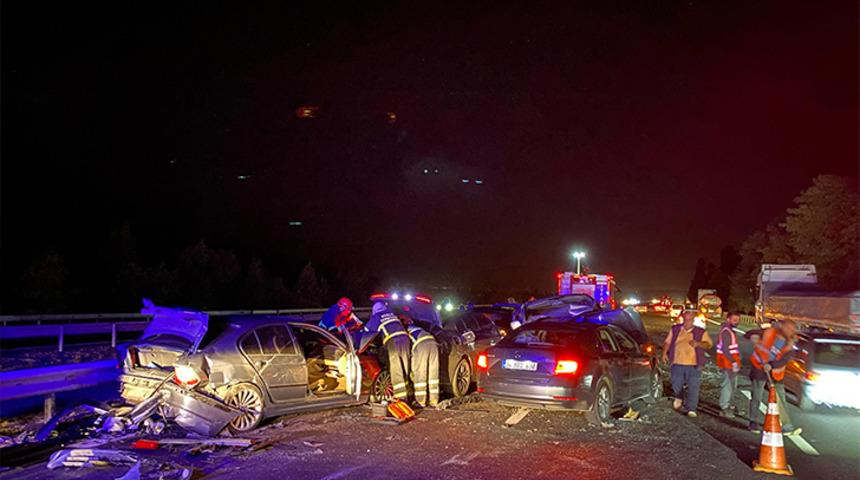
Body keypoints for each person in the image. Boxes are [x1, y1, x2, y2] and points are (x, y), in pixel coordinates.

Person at [748, 320, 801, 435]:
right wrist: (754, 338)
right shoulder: (769, 332)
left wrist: (771, 366)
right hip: (759, 369)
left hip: (775, 373)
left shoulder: (790, 344)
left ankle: (786, 426)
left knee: (780, 399)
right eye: (788, 328)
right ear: (782, 326)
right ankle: (753, 422)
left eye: (792, 330)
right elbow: (750, 332)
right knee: (757, 396)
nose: (790, 331)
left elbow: (785, 359)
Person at [662, 310, 713, 417]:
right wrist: (664, 353)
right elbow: (667, 342)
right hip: (677, 363)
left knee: (694, 387)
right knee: (676, 384)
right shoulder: (675, 329)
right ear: (683, 315)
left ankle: (692, 408)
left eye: (691, 313)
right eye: (686, 313)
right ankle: (679, 397)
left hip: (694, 364)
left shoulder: (701, 331)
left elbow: (709, 345)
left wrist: (698, 343)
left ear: (694, 317)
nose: (689, 315)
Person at [363, 301, 411, 401]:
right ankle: (408, 393)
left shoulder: (376, 317)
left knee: (396, 368)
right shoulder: (392, 314)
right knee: (404, 366)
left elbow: (366, 331)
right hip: (406, 340)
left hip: (393, 342)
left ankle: (400, 398)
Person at [405, 320, 440, 408]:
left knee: (420, 374)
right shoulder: (419, 329)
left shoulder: (406, 333)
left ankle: (421, 401)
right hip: (434, 344)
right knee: (433, 374)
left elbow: (408, 352)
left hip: (421, 345)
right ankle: (434, 400)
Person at [716, 312, 742, 417]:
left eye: (738, 320)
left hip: (729, 363)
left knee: (731, 385)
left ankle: (728, 406)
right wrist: (734, 362)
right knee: (727, 386)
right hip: (727, 363)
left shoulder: (730, 331)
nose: (737, 322)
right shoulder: (727, 332)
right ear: (728, 320)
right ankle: (724, 408)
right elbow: (725, 349)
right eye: (734, 320)